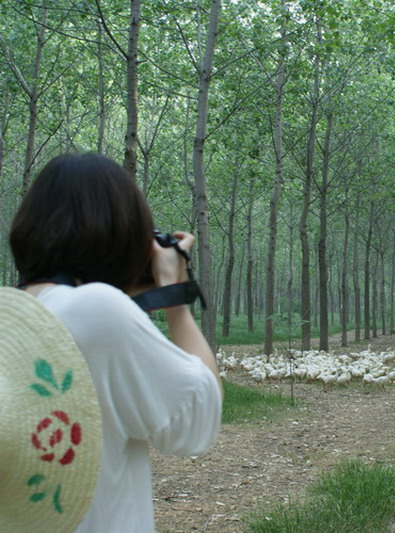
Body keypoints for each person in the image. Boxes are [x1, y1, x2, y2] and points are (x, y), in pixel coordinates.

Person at [8, 153, 222, 532]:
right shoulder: (97, 309)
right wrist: (175, 296)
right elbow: (195, 423)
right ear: (123, 234)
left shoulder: (14, 319)